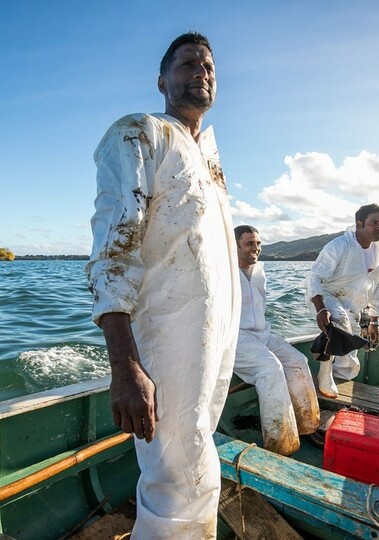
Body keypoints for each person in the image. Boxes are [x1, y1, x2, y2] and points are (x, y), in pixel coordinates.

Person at [86, 32, 240, 539]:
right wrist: (125, 366)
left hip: (213, 344)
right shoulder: (140, 133)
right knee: (177, 478)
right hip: (164, 342)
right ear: (161, 80)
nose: (202, 71)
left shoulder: (210, 160)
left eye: (209, 66)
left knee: (193, 463)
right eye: (188, 63)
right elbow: (114, 248)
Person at [232, 225, 320, 456]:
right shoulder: (224, 272)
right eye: (249, 243)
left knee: (298, 360)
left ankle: (308, 426)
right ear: (235, 246)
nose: (256, 248)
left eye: (258, 243)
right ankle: (279, 444)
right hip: (234, 336)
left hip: (262, 332)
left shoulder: (259, 270)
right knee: (271, 369)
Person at [306, 203, 379, 398]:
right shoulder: (339, 246)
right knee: (339, 320)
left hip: (353, 302)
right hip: (325, 295)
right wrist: (321, 309)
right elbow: (314, 277)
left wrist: (375, 319)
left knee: (352, 343)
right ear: (359, 223)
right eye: (374, 223)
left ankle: (342, 379)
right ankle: (325, 374)